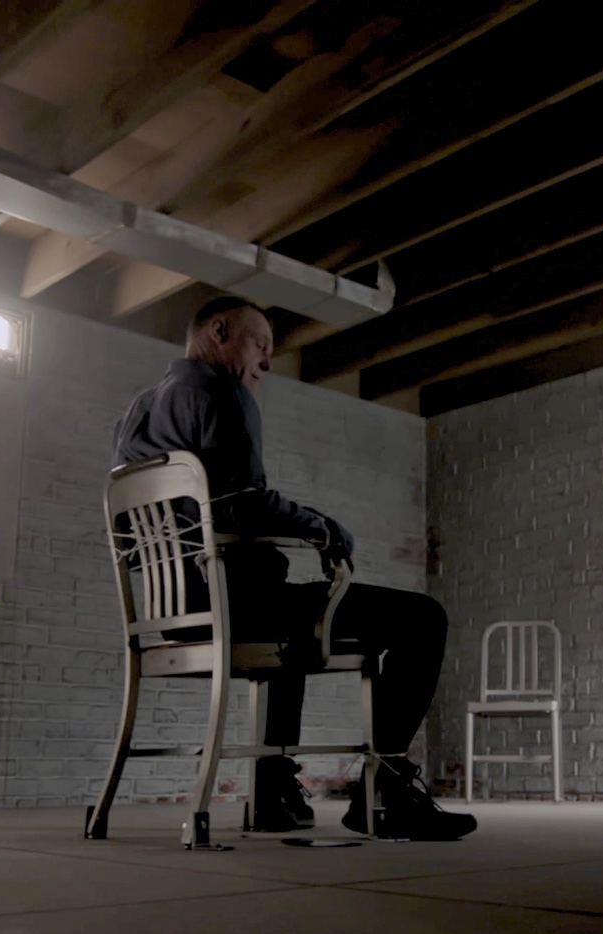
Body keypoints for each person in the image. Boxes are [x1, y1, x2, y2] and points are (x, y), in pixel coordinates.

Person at [111, 295, 477, 841]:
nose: (267, 360)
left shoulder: (137, 411)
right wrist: (323, 527)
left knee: (291, 611)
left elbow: (133, 538)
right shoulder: (222, 392)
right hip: (238, 607)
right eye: (259, 343)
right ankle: (385, 790)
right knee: (422, 618)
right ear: (218, 331)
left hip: (176, 613)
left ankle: (273, 791)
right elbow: (244, 503)